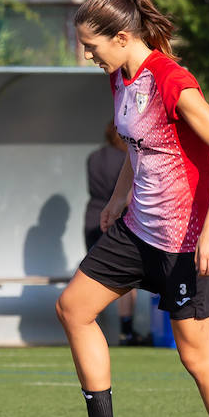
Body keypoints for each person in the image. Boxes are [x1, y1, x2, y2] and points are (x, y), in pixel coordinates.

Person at [53, 0, 209, 417]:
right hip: (137, 231)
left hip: (188, 241)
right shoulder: (121, 78)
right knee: (73, 307)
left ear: (122, 37)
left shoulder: (172, 80)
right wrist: (119, 198)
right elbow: (139, 146)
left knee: (197, 358)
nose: (87, 55)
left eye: (91, 46)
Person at [83, 121, 143, 346]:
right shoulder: (126, 159)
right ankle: (126, 331)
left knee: (92, 274)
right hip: (118, 217)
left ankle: (88, 327)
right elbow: (128, 193)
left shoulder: (93, 157)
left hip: (92, 217)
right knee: (125, 278)